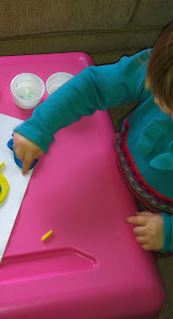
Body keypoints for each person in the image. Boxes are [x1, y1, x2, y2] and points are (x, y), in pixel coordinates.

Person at [12, 21, 173, 253]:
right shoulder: (162, 66)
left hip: (157, 219)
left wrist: (168, 234)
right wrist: (40, 125)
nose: (156, 101)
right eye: (156, 91)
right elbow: (94, 85)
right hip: (110, 167)